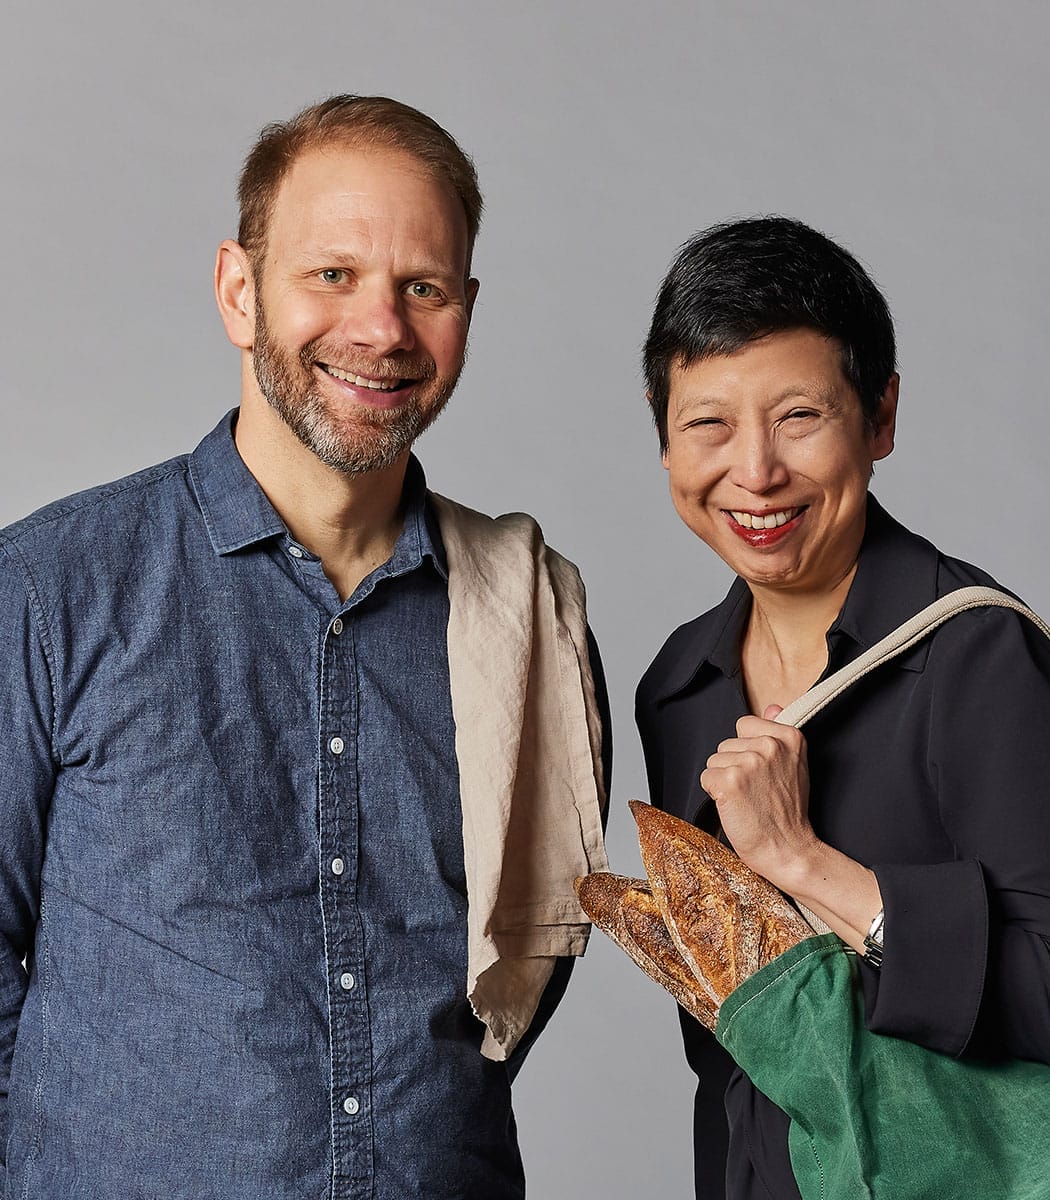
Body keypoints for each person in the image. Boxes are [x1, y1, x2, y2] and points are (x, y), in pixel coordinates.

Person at [0, 95, 610, 1200]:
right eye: (332, 276)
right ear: (239, 291)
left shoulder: (527, 617)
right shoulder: (49, 589)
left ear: (465, 311)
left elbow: (525, 968)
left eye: (422, 288)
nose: (381, 329)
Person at [635, 216, 1050, 1200]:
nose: (756, 472)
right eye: (708, 425)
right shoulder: (678, 687)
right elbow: (736, 1066)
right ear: (663, 443)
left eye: (799, 417)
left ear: (881, 417)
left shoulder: (980, 656)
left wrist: (802, 863)